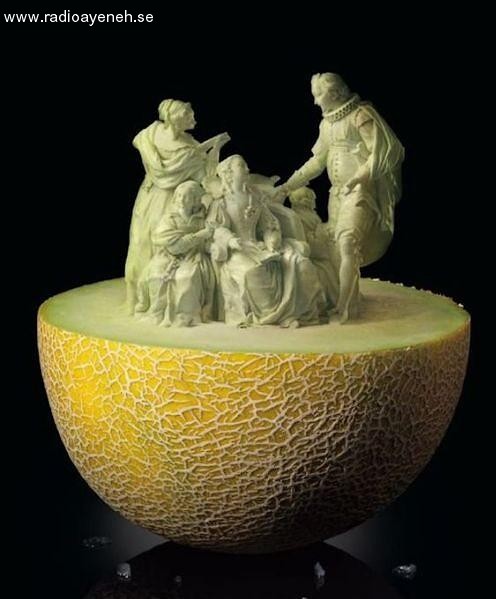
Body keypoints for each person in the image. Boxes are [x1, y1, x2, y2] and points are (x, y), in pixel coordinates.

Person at [275, 73, 404, 322]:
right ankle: (340, 299)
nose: (315, 101)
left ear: (334, 93)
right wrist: (288, 186)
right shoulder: (326, 124)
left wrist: (357, 178)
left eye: (318, 95)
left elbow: (381, 153)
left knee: (347, 243)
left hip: (359, 191)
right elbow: (317, 161)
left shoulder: (360, 116)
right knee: (335, 247)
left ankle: (347, 308)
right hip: (336, 194)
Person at [125, 98, 229, 314]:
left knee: (169, 245)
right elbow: (157, 166)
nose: (193, 118)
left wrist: (215, 153)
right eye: (187, 114)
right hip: (153, 197)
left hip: (180, 201)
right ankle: (137, 296)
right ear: (173, 117)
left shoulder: (190, 145)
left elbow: (204, 175)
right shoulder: (150, 134)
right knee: (142, 241)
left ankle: (167, 299)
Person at [208, 155, 324, 327]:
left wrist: (272, 240)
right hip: (237, 250)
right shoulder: (222, 202)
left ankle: (298, 312)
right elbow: (216, 228)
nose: (247, 169)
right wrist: (231, 240)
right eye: (241, 166)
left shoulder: (254, 198)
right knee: (253, 272)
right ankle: (270, 316)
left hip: (259, 246)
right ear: (229, 173)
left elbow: (268, 224)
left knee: (298, 262)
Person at [135, 181, 215, 327]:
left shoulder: (203, 217)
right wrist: (199, 236)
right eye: (179, 196)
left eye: (186, 196)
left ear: (196, 199)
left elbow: (209, 236)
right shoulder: (169, 218)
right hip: (167, 255)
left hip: (193, 255)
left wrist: (202, 240)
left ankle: (185, 316)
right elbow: (171, 245)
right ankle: (157, 313)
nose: (181, 200)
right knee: (156, 275)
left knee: (187, 278)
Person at [289, 186, 338, 310]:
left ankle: (344, 294)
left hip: (318, 245)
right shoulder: (299, 217)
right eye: (311, 198)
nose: (313, 201)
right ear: (304, 201)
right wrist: (321, 236)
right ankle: (336, 298)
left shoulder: (310, 215)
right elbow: (307, 240)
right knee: (330, 265)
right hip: (313, 251)